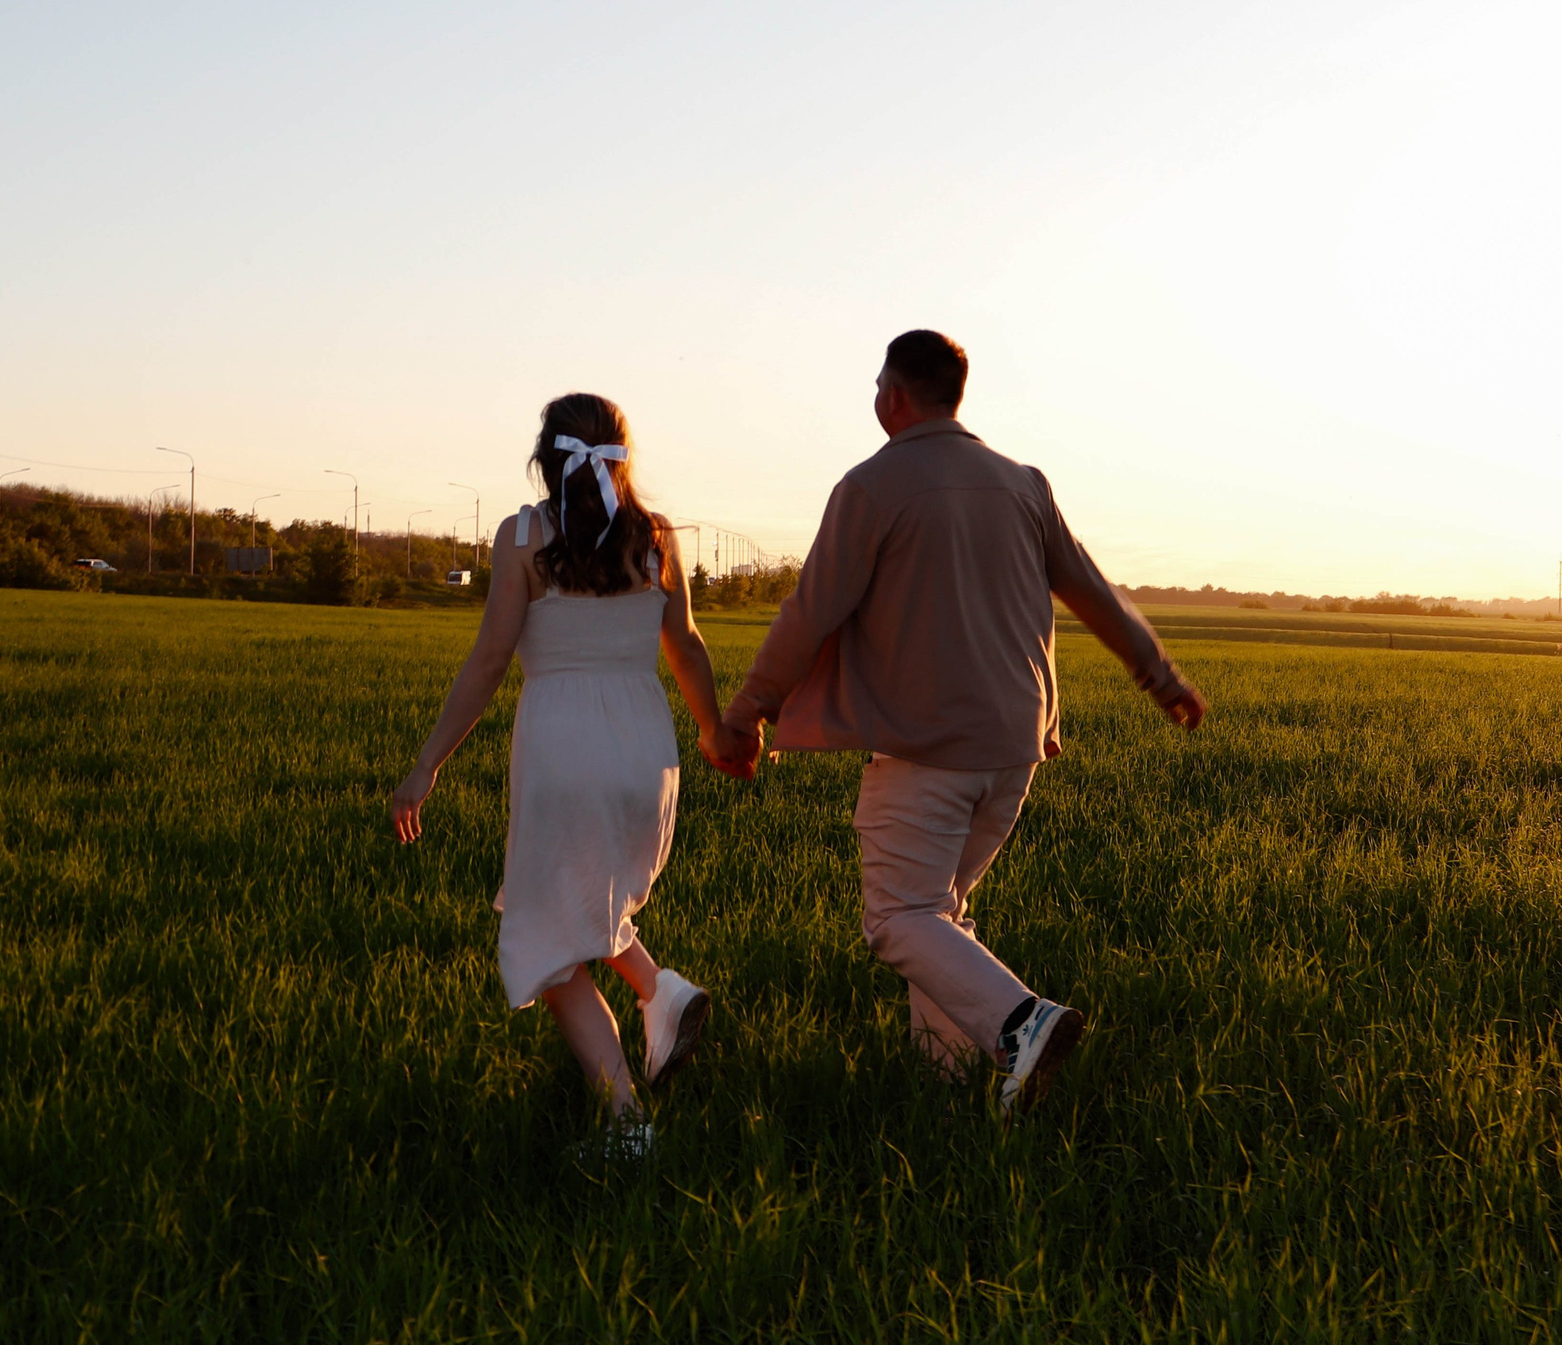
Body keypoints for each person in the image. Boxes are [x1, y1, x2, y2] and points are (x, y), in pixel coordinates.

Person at [716, 330, 1207, 1112]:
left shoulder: (873, 486)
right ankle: (939, 1090)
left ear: (895, 395)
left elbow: (810, 613)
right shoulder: (1023, 484)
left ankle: (1023, 1024)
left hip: (924, 750)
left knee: (899, 917)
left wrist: (745, 715)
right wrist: (1161, 675)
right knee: (938, 918)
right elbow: (1093, 591)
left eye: (878, 383)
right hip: (1015, 749)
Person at [390, 393, 728, 1159]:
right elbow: (690, 648)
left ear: (548, 458)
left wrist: (425, 767)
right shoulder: (657, 539)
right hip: (646, 753)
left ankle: (624, 1123)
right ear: (623, 458)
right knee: (580, 901)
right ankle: (661, 994)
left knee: (547, 941)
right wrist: (715, 731)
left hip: (562, 754)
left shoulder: (524, 536)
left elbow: (487, 662)